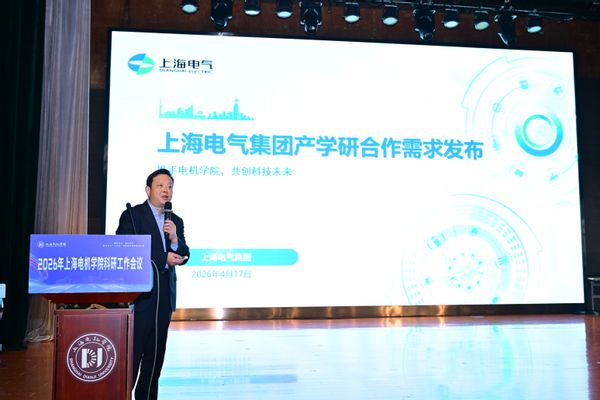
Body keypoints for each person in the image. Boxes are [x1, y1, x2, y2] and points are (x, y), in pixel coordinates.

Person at [116, 168, 190, 400]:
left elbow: (185, 254)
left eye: (169, 186)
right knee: (132, 354)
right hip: (139, 297)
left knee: (155, 358)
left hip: (164, 297)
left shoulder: (175, 220)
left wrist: (175, 239)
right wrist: (162, 257)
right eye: (160, 186)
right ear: (148, 190)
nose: (166, 190)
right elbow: (124, 248)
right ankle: (121, 394)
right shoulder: (132, 215)